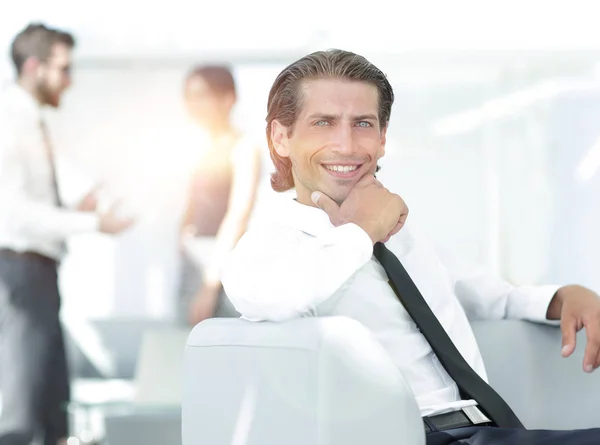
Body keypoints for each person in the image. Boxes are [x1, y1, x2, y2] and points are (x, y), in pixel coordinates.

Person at [221, 49, 600, 444]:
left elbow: (491, 294)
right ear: (281, 138)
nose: (346, 144)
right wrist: (363, 229)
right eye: (323, 123)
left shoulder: (403, 237)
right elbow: (273, 298)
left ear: (382, 138)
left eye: (363, 124)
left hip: (478, 431)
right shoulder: (271, 245)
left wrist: (563, 297)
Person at [0, 23, 133, 445]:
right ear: (35, 67)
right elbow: (14, 215)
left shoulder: (35, 121)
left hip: (39, 274)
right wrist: (95, 224)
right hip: (18, 274)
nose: (70, 80)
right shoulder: (9, 120)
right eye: (64, 69)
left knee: (52, 404)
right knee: (20, 412)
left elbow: (47, 194)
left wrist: (86, 206)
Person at [178, 64, 261, 325]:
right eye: (189, 96)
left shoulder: (244, 147)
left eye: (201, 95)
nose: (193, 104)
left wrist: (210, 284)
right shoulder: (196, 146)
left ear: (228, 99)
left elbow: (239, 214)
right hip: (192, 261)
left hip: (222, 264)